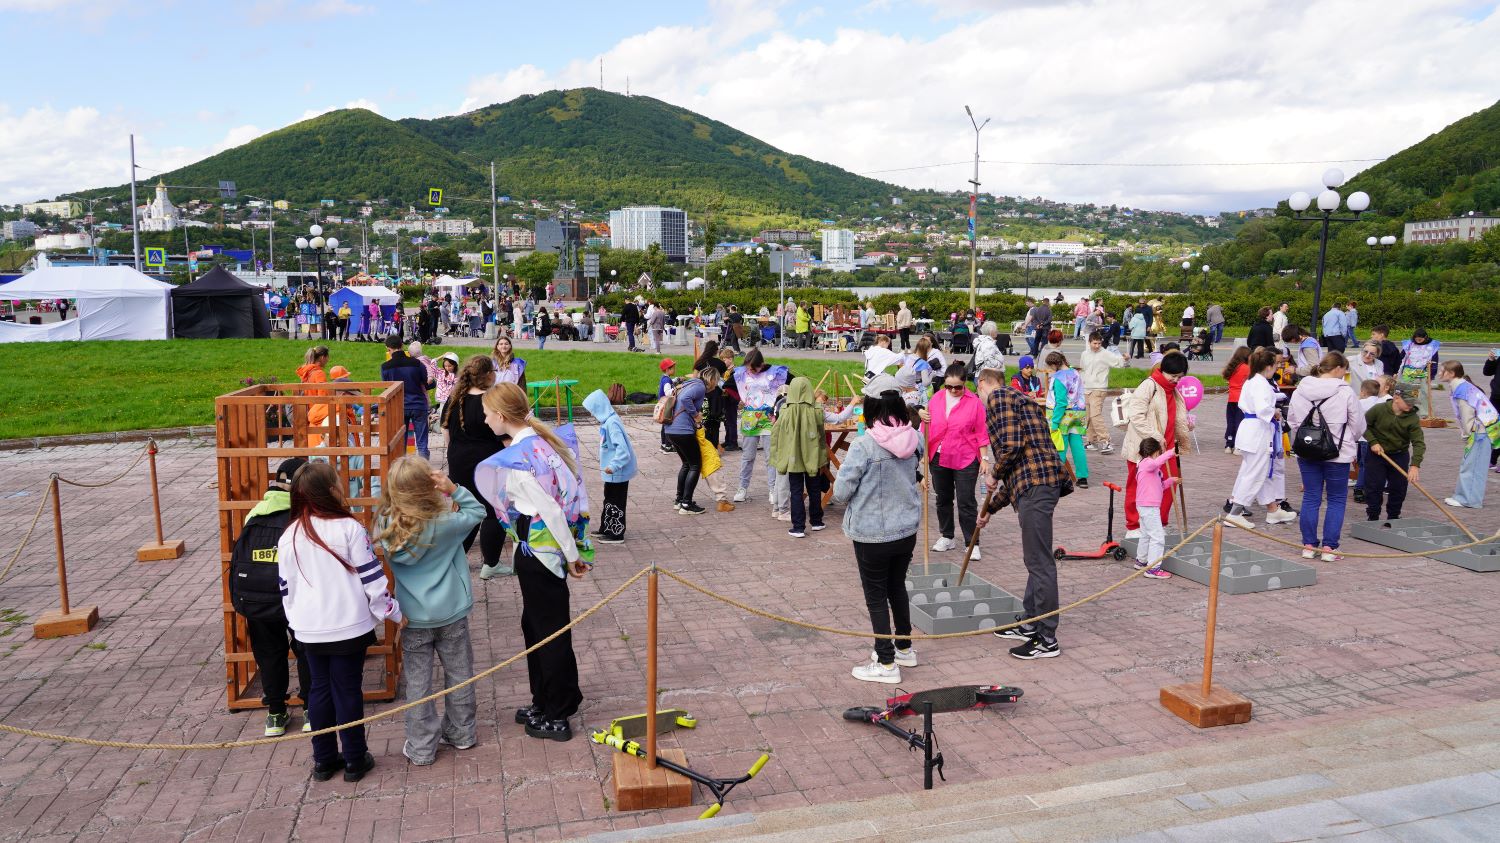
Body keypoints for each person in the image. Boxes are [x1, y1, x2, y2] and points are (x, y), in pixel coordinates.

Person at [476, 383, 594, 741]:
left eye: (486, 413)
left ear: (500, 415)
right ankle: (547, 699)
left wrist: (573, 558)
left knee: (549, 633)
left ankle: (557, 712)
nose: (484, 419)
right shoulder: (537, 444)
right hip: (542, 550)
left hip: (539, 552)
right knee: (537, 627)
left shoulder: (520, 459)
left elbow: (552, 510)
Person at [277, 461, 401, 782]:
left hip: (308, 629)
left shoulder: (289, 534)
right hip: (349, 626)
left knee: (318, 690)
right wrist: (393, 613)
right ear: (330, 490)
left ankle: (323, 760)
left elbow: (285, 590)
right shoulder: (350, 528)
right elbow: (373, 581)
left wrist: (298, 622)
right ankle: (355, 759)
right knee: (347, 691)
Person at [374, 457, 483, 766]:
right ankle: (462, 734)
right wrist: (454, 489)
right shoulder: (446, 523)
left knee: (419, 683)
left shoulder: (385, 524)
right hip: (451, 611)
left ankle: (421, 747)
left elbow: (384, 515)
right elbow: (478, 512)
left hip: (412, 616)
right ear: (428, 487)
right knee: (459, 674)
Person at [832, 375, 923, 683]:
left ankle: (885, 663)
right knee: (896, 586)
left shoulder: (864, 445)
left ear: (870, 407)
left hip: (872, 532)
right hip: (905, 529)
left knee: (875, 594)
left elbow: (842, 492)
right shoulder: (915, 438)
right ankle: (904, 647)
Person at [977, 367, 1068, 660]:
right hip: (1039, 484)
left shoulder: (998, 398)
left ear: (982, 384)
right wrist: (990, 508)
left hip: (1037, 487)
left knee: (1039, 562)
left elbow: (1012, 449)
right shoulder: (1023, 399)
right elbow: (1020, 465)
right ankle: (1031, 623)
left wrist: (993, 473)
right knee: (1036, 558)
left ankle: (1047, 638)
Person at [229, 457, 312, 736]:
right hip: (296, 595)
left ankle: (276, 713)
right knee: (305, 648)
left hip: (259, 596)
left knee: (268, 652)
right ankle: (311, 708)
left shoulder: (255, 513)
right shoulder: (303, 513)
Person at [1288, 352, 1365, 561]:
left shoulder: (1300, 389)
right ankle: (1330, 548)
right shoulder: (1345, 392)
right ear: (1338, 368)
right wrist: (1348, 438)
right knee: (1337, 499)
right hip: (1337, 452)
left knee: (1311, 496)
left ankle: (1309, 545)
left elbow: (1293, 421)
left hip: (1307, 450)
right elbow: (1358, 425)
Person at [444, 356, 510, 579]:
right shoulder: (491, 402)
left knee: (468, 509)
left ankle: (453, 558)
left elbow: (446, 433)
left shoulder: (455, 398)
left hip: (458, 461)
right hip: (487, 464)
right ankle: (490, 563)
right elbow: (505, 437)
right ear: (488, 375)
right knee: (493, 511)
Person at [1223, 349, 1297, 531]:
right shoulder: (1260, 383)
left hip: (1253, 429)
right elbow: (1263, 408)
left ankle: (1272, 509)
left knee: (1259, 471)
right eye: (1276, 365)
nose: (1277, 368)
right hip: (1258, 431)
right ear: (1269, 366)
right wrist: (1276, 412)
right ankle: (1235, 513)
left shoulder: (1253, 380)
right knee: (1254, 473)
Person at [918, 362, 987, 556]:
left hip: (965, 456)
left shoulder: (974, 402)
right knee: (943, 498)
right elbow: (926, 427)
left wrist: (984, 458)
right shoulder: (937, 398)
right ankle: (947, 536)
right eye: (949, 386)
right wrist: (924, 453)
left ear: (965, 383)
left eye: (958, 386)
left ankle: (972, 542)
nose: (953, 390)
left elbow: (981, 432)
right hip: (939, 456)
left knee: (966, 501)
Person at [1122, 353, 1193, 538]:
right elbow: (1136, 415)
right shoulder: (1149, 385)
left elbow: (1174, 418)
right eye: (1173, 376)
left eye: (1180, 377)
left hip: (1168, 448)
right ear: (1163, 370)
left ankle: (1158, 523)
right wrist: (1154, 434)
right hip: (1144, 448)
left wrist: (1186, 425)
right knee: (1139, 487)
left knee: (1169, 486)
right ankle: (1134, 525)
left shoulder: (1173, 390)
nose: (1176, 380)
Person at [770, 376, 828, 537]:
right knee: (814, 489)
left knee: (796, 490)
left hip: (793, 457)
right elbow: (822, 435)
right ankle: (816, 521)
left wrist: (777, 455)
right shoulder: (816, 410)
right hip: (813, 456)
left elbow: (776, 434)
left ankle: (798, 527)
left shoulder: (785, 411)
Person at [1438, 361, 1498, 509]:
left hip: (1480, 432)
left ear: (1451, 373)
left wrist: (1467, 434)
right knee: (1472, 465)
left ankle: (1468, 500)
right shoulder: (1463, 386)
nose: (1439, 373)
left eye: (1442, 371)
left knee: (1472, 466)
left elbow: (1467, 415)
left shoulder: (1461, 390)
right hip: (1485, 429)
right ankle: (1463, 497)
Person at [733, 349, 790, 505]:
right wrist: (739, 400)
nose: (750, 371)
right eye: (748, 368)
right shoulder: (741, 374)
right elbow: (729, 386)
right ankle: (742, 488)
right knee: (747, 456)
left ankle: (773, 489)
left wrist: (783, 401)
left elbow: (794, 382)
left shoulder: (776, 372)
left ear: (761, 364)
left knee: (770, 457)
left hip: (769, 419)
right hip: (750, 420)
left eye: (753, 368)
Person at [582, 388, 637, 542]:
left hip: (617, 472)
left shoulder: (612, 424)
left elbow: (623, 451)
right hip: (612, 473)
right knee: (609, 499)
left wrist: (613, 466)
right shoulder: (608, 422)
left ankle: (616, 533)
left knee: (616, 501)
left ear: (599, 408)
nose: (592, 414)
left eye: (592, 410)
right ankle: (606, 527)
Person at [1363, 382, 1424, 522]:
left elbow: (1418, 442)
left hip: (1399, 455)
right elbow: (1363, 426)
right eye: (1407, 401)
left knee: (1398, 488)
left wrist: (1415, 465)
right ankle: (1373, 516)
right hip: (1377, 455)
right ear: (1396, 397)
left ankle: (1393, 517)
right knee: (1374, 486)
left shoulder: (1412, 418)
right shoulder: (1378, 410)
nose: (1411, 405)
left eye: (1413, 402)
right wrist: (1373, 442)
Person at [664, 364, 709, 514]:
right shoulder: (700, 386)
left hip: (671, 429)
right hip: (683, 430)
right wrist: (696, 415)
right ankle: (686, 504)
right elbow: (685, 399)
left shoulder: (687, 384)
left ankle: (679, 500)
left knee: (686, 464)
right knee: (695, 464)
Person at [382, 334, 434, 459]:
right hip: (418, 404)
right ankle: (424, 469)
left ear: (388, 349)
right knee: (422, 442)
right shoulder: (417, 363)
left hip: (399, 406)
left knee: (402, 442)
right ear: (402, 346)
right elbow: (425, 383)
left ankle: (403, 471)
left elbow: (387, 388)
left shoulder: (385, 367)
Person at [1131, 438, 1176, 580]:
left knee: (1146, 534)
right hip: (1149, 507)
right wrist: (1170, 453)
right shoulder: (1147, 463)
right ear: (1155, 451)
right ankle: (1153, 568)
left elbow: (1160, 486)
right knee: (1157, 537)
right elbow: (1157, 462)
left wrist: (1171, 481)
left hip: (1146, 505)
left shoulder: (1151, 468)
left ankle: (1141, 560)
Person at [1044, 352, 1090, 488]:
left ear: (1054, 364)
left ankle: (1057, 477)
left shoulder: (1058, 378)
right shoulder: (1075, 372)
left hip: (1062, 416)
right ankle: (1082, 477)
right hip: (1077, 414)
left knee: (1060, 447)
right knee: (1077, 446)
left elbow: (1061, 402)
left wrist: (1055, 422)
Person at [1080, 331, 1124, 454]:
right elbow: (1082, 370)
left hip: (1099, 388)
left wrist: (1124, 358)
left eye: (1099, 343)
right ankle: (1092, 441)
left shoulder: (1105, 354)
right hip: (1086, 388)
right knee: (1087, 416)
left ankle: (1105, 441)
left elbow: (1118, 362)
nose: (1097, 346)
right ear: (1089, 343)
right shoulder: (1084, 354)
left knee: (1095, 415)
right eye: (1094, 343)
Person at [1399, 328, 1441, 411]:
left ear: (1425, 337)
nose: (1418, 341)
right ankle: (1405, 409)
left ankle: (1424, 412)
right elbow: (1401, 356)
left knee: (1424, 392)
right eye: (1416, 339)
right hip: (1409, 371)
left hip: (1424, 371)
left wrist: (1432, 375)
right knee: (1406, 390)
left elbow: (1435, 361)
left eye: (1420, 339)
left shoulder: (1432, 346)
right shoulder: (1409, 344)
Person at [1222, 346, 1252, 453]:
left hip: (1231, 399)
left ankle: (1229, 444)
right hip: (1242, 399)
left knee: (1231, 421)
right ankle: (1238, 446)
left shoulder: (1232, 367)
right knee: (1240, 422)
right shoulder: (1246, 368)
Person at [657, 358, 677, 454]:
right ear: (667, 370)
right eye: (673, 368)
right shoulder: (667, 381)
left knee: (664, 425)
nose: (674, 370)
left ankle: (663, 444)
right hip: (667, 406)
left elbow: (669, 383)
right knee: (668, 425)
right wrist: (676, 388)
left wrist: (676, 380)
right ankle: (668, 446)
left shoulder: (665, 378)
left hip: (663, 405)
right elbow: (668, 392)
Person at [1484, 350, 1500, 472]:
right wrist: (1491, 360)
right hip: (1496, 397)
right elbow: (1487, 372)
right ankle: (1492, 460)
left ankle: (1493, 460)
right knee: (1494, 428)